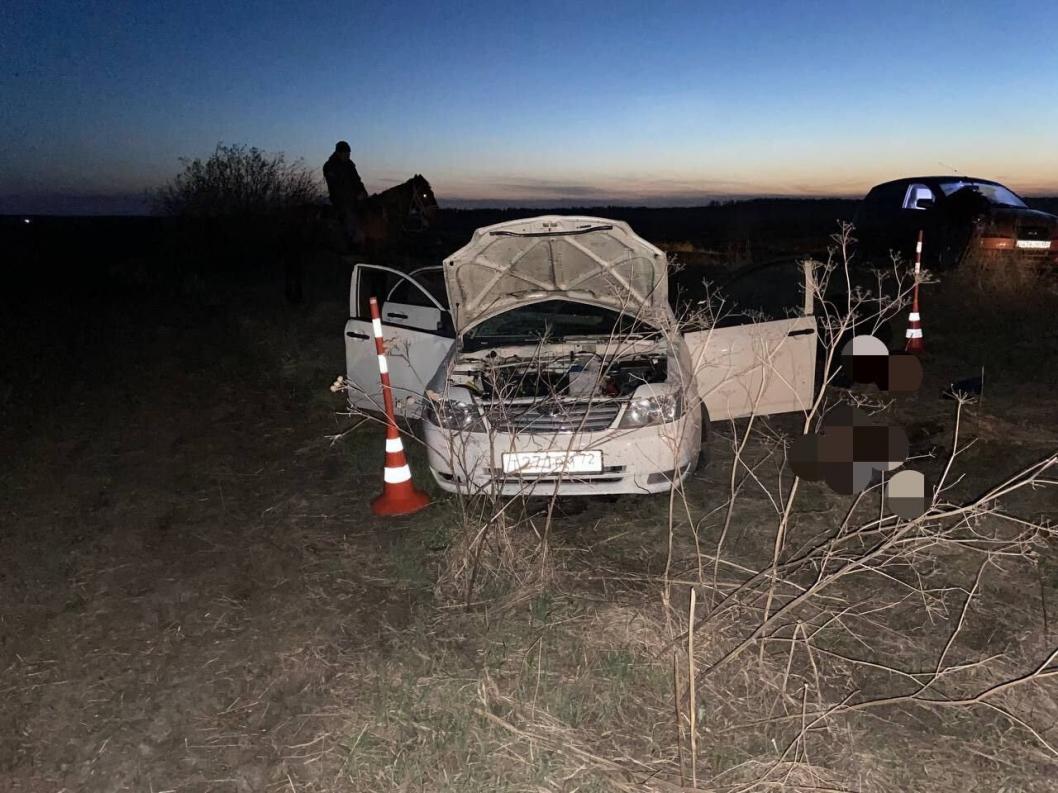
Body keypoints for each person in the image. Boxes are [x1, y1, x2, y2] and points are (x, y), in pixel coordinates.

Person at [323, 140, 369, 250]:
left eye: (349, 154)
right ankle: (351, 243)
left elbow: (357, 181)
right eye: (346, 154)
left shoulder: (350, 165)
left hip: (354, 199)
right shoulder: (330, 166)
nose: (348, 156)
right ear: (339, 153)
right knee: (349, 215)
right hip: (340, 200)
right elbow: (335, 188)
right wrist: (354, 196)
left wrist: (363, 192)